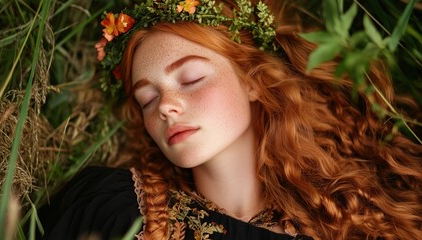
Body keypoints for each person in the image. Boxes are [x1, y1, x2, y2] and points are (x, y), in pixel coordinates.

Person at [38, 0, 422, 239]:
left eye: (191, 79)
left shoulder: (356, 224)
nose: (165, 107)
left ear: (253, 82)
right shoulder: (116, 207)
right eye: (147, 98)